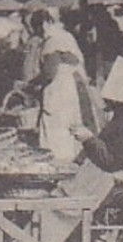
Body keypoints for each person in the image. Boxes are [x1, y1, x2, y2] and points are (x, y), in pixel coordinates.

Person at [36, 9, 101, 162]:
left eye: (37, 28)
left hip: (59, 92)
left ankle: (59, 162)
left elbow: (50, 72)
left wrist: (34, 84)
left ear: (45, 24)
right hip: (73, 89)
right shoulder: (67, 37)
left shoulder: (53, 41)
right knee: (72, 129)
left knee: (57, 132)